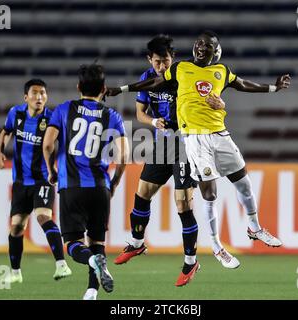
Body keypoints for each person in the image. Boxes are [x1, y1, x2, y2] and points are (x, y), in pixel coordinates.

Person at [107, 30, 291, 267]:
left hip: (209, 136)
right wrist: (122, 91)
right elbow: (150, 89)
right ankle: (208, 246)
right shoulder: (179, 69)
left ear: (216, 52)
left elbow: (241, 84)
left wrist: (272, 89)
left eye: (209, 46)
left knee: (237, 186)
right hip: (182, 140)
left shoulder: (220, 71)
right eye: (200, 44)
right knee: (194, 194)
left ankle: (247, 231)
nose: (203, 48)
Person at [113, 35, 227, 287]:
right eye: (157, 62)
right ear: (149, 60)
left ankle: (190, 261)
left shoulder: (185, 74)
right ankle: (137, 242)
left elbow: (210, 98)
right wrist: (153, 122)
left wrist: (220, 106)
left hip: (187, 144)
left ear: (172, 59)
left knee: (183, 205)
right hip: (162, 143)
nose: (162, 66)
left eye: (165, 61)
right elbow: (141, 114)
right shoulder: (147, 79)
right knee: (142, 193)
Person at [43, 64, 129, 300]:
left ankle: (91, 261)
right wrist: (114, 183)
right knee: (97, 241)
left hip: (71, 187)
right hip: (100, 187)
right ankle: (91, 291)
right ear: (103, 89)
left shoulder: (63, 110)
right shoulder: (112, 116)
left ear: (78, 86)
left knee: (72, 244)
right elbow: (124, 156)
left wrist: (51, 170)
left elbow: (48, 144)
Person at [0, 79, 72, 284]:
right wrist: (0, 150)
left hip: (43, 179)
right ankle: (15, 272)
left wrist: (58, 169)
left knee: (43, 217)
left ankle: (61, 264)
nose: (39, 97)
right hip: (21, 181)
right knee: (16, 227)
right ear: (26, 97)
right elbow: (6, 131)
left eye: (43, 93)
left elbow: (63, 143)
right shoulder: (16, 113)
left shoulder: (52, 118)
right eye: (35, 93)